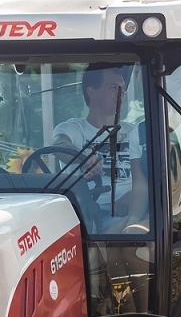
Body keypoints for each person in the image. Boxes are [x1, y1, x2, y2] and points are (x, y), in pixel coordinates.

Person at [51, 64, 149, 233]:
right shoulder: (74, 128)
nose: (121, 94)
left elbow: (150, 181)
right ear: (92, 92)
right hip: (85, 216)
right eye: (113, 88)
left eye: (123, 89)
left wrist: (132, 199)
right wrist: (84, 157)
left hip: (133, 211)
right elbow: (59, 145)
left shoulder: (135, 132)